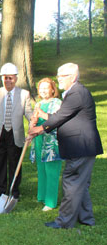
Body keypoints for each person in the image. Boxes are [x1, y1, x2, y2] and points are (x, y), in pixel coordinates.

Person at [29, 63, 103, 229]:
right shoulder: (75, 92)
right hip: (82, 146)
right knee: (81, 184)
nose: (59, 79)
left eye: (63, 76)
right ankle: (86, 219)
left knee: (71, 182)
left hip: (80, 146)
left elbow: (60, 117)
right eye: (58, 75)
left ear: (73, 77)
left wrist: (40, 129)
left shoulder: (76, 92)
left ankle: (64, 221)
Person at [0, 63, 32, 199]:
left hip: (15, 133)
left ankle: (13, 190)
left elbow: (28, 112)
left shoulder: (24, 94)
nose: (8, 81)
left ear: (16, 78)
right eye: (5, 78)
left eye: (10, 78)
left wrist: (32, 121)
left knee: (14, 161)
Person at [29, 78, 62, 211]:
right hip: (39, 140)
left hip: (51, 142)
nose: (43, 90)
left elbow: (57, 120)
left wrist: (42, 114)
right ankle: (42, 196)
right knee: (41, 169)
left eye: (46, 88)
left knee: (51, 170)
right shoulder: (39, 103)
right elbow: (34, 122)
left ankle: (51, 201)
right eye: (40, 88)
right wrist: (32, 123)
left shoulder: (58, 103)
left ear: (53, 89)